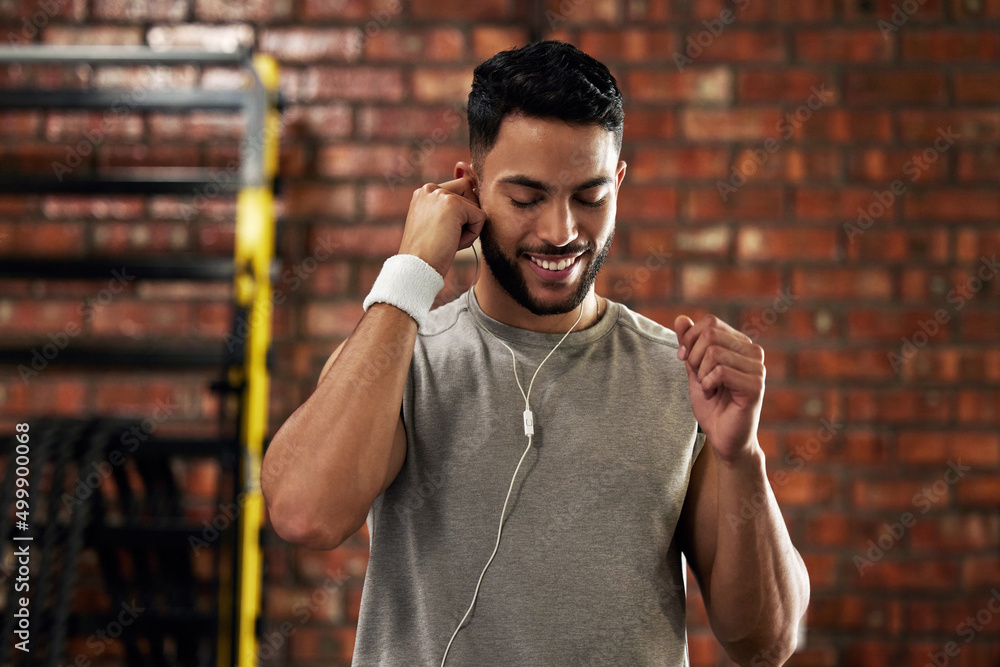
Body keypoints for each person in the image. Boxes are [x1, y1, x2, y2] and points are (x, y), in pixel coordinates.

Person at [261, 40, 810, 667]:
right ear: (470, 188)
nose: (561, 232)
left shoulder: (679, 378)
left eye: (590, 196)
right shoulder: (403, 361)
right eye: (526, 198)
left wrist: (741, 457)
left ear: (619, 182)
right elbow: (304, 515)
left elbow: (765, 643)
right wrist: (413, 270)